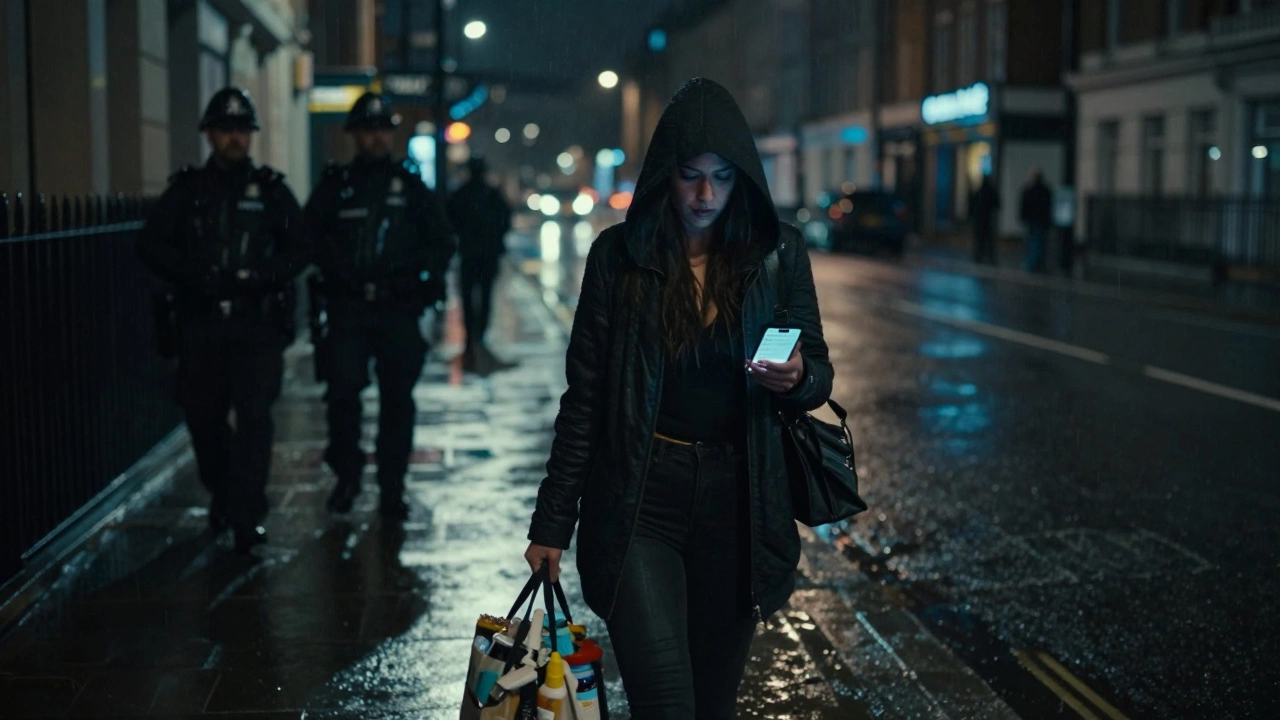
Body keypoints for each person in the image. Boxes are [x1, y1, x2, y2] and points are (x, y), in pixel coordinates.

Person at [523, 78, 834, 719]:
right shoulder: (619, 257)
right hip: (642, 499)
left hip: (739, 501)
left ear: (740, 177)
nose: (704, 195)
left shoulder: (777, 256)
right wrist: (553, 520)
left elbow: (819, 376)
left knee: (713, 706)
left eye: (721, 177)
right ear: (666, 174)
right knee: (665, 701)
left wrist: (797, 377)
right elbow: (585, 397)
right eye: (690, 176)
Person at [137, 87, 305, 552]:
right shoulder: (188, 190)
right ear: (210, 134)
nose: (235, 139)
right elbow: (150, 244)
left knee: (254, 418)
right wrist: (197, 275)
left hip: (256, 325)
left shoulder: (271, 191)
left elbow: (300, 248)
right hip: (203, 324)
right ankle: (226, 495)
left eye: (241, 131)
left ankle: (246, 515)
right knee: (204, 419)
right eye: (226, 130)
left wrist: (261, 276)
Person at [304, 92, 456, 521]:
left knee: (397, 401)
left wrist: (420, 276)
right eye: (368, 130)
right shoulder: (337, 185)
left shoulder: (409, 185)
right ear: (356, 135)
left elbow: (442, 239)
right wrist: (336, 267)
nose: (376, 137)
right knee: (342, 397)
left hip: (396, 310)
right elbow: (307, 236)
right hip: (348, 308)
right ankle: (347, 477)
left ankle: (392, 487)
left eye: (382, 130)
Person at [447, 155, 513, 373]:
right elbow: (505, 219)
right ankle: (479, 337)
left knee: (467, 297)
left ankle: (471, 338)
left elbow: (451, 221)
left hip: (469, 255)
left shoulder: (461, 194)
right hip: (487, 255)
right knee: (484, 297)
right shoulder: (492, 195)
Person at [1019, 166, 1052, 273]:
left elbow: (1024, 206)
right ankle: (1037, 263)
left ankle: (1032, 263)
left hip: (1033, 220)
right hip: (1039, 221)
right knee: (1038, 242)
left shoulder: (1029, 190)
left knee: (1033, 242)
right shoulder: (1045, 190)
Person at [970, 175, 1000, 265]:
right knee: (987, 241)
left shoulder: (979, 192)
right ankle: (986, 257)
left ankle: (980, 257)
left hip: (981, 221)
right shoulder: (986, 192)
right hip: (986, 221)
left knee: (981, 241)